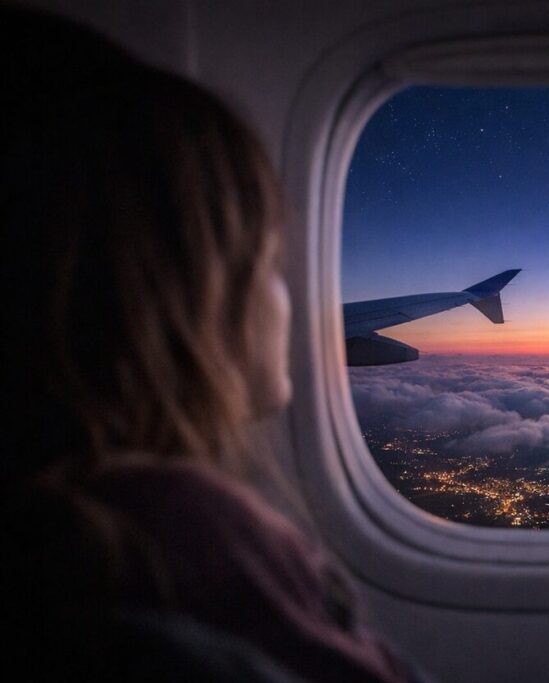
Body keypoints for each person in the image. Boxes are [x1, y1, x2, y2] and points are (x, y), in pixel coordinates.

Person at [0, 7, 415, 682]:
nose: (290, 296)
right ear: (177, 296)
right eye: (266, 258)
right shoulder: (180, 539)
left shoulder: (62, 543)